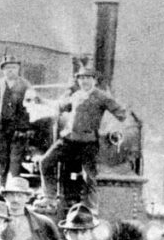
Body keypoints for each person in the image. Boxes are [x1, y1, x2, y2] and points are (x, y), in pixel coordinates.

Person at [38, 65, 127, 209]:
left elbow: (121, 114)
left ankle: (92, 208)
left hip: (88, 143)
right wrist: (41, 100)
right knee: (45, 162)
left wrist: (110, 130)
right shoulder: (76, 95)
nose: (84, 81)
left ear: (94, 80)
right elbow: (60, 106)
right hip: (68, 140)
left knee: (89, 177)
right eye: (81, 78)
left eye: (88, 78)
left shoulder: (102, 96)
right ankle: (49, 198)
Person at [0, 53, 33, 189]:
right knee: (1, 158)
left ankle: (13, 188)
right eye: (7, 68)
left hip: (18, 129)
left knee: (15, 159)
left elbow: (32, 104)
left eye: (13, 67)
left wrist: (25, 125)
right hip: (0, 128)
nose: (10, 70)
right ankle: (2, 187)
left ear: (18, 69)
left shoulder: (25, 85)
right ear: (3, 70)